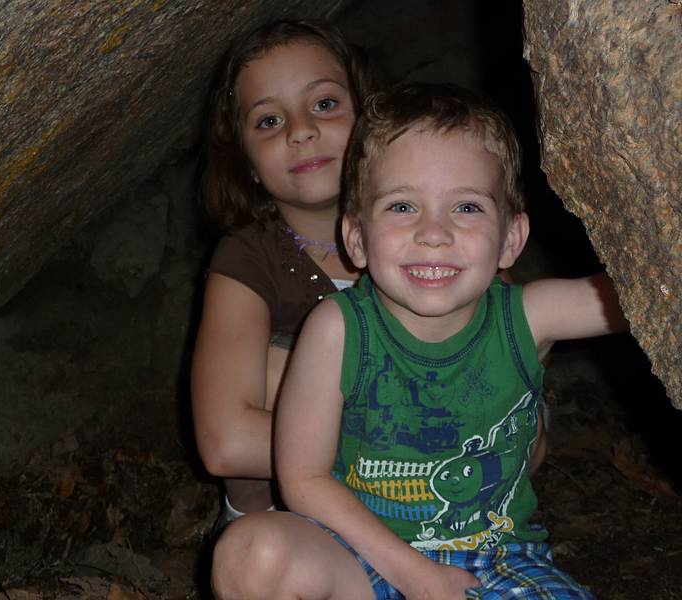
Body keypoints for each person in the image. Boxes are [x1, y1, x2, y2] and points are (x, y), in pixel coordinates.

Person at [211, 82, 628, 599]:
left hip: (494, 559)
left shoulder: (528, 316)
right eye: (403, 206)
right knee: (252, 554)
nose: (434, 232)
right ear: (357, 238)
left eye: (468, 208)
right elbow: (303, 481)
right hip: (356, 550)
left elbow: (647, 292)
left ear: (511, 238)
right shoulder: (338, 331)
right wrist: (416, 576)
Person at [191, 19, 373, 525]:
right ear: (247, 163)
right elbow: (224, 442)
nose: (302, 130)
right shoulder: (248, 258)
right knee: (283, 369)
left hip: (445, 482)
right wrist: (402, 445)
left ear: (372, 121)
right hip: (298, 502)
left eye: (324, 104)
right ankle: (247, 519)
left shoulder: (427, 221)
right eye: (269, 121)